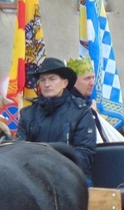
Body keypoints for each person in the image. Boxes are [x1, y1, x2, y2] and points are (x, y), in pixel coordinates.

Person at [16, 57, 98, 185]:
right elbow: (19, 151)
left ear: (64, 83)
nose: (46, 84)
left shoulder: (81, 111)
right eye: (42, 80)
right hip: (35, 178)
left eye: (52, 79)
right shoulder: (28, 114)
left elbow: (84, 155)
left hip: (72, 178)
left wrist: (53, 167)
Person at [66, 56, 124, 144]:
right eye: (87, 78)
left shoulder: (87, 106)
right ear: (73, 82)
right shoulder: (70, 107)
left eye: (93, 78)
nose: (92, 83)